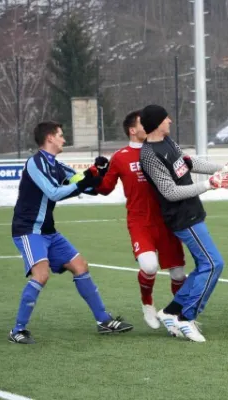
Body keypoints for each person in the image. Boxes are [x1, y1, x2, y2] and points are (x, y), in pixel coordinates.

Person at [9, 121, 133, 344]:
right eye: (61, 135)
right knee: (41, 275)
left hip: (48, 231)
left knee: (80, 266)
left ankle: (103, 321)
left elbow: (82, 182)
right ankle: (17, 330)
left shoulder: (57, 165)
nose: (64, 139)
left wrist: (98, 173)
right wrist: (85, 181)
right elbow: (54, 193)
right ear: (49, 138)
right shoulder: (34, 163)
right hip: (28, 230)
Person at [138, 104, 228, 342]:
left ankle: (170, 312)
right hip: (182, 218)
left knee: (204, 265)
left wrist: (222, 168)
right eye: (166, 118)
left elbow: (189, 163)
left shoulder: (168, 141)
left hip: (193, 212)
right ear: (156, 123)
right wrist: (209, 185)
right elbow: (169, 191)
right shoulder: (148, 155)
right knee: (213, 263)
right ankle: (186, 318)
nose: (171, 121)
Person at [94, 110, 187, 329]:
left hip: (166, 220)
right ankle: (147, 304)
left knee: (179, 273)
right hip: (140, 222)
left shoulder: (159, 149)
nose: (147, 125)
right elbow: (105, 188)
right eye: (142, 123)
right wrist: (97, 173)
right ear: (132, 130)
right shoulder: (120, 157)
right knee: (149, 265)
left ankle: (178, 316)